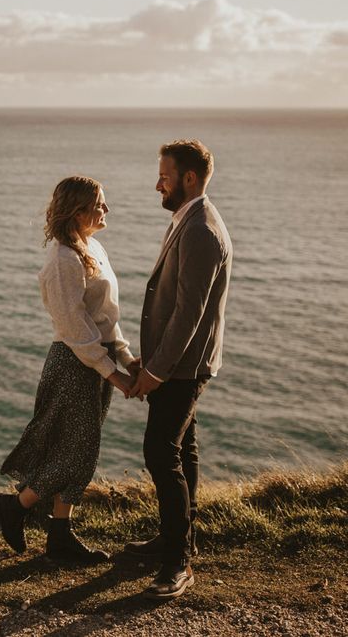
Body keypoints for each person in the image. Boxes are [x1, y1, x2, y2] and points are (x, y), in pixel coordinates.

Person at [0, 176, 138, 564]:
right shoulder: (63, 259)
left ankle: (60, 535)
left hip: (95, 361)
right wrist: (114, 373)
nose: (106, 210)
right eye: (100, 205)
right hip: (74, 364)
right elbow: (76, 328)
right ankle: (17, 507)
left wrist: (125, 358)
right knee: (76, 454)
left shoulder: (93, 248)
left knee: (77, 450)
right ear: (78, 212)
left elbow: (106, 318)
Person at [126, 139, 233, 600]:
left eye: (164, 177)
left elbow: (188, 314)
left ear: (189, 178)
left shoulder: (200, 230)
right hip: (180, 365)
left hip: (183, 369)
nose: (158, 185)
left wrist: (156, 371)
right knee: (182, 448)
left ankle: (178, 564)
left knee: (159, 451)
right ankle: (176, 541)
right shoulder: (188, 219)